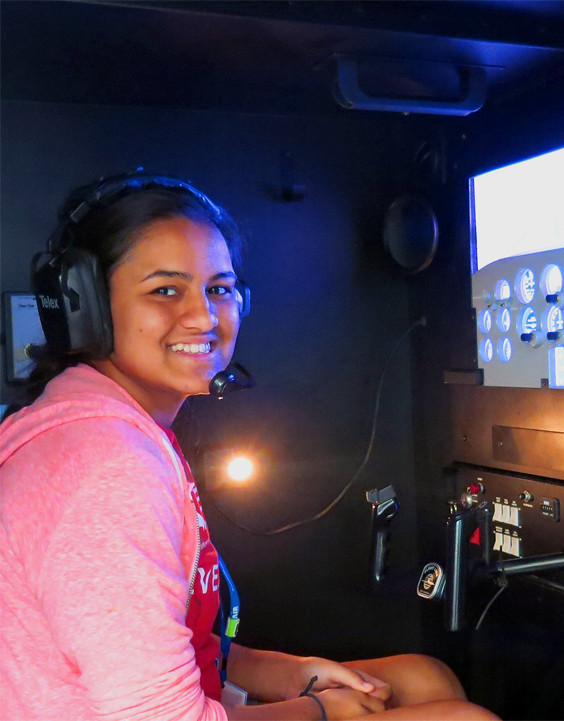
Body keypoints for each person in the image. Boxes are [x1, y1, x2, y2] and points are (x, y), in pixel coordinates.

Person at [0, 171, 500, 721]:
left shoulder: (101, 419)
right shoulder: (105, 468)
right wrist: (322, 711)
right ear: (84, 308)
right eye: (165, 290)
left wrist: (281, 671)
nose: (203, 316)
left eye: (218, 288)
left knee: (422, 680)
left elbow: (135, 634)